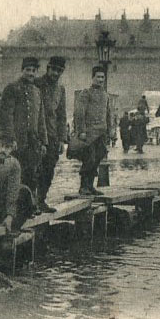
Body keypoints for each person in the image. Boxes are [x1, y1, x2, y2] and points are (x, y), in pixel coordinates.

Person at [0, 57, 53, 213]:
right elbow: (6, 115)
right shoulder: (12, 88)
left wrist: (44, 142)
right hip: (17, 140)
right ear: (22, 70)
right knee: (15, 173)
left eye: (33, 70)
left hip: (33, 140)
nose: (30, 73)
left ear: (36, 72)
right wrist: (10, 138)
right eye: (27, 70)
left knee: (32, 173)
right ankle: (12, 208)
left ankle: (30, 205)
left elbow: (41, 118)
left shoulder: (37, 92)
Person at [72, 65, 112, 195]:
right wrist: (81, 131)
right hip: (89, 134)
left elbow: (108, 114)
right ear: (92, 78)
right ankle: (83, 186)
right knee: (89, 159)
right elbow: (79, 113)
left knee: (98, 158)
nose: (100, 80)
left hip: (101, 133)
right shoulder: (86, 93)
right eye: (98, 77)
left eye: (102, 77)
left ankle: (90, 186)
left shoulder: (106, 96)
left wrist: (110, 130)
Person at [35, 56, 68, 213]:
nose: (56, 73)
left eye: (59, 71)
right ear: (48, 68)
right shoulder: (36, 85)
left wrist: (62, 139)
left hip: (53, 136)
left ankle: (40, 200)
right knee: (34, 169)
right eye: (53, 69)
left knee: (49, 170)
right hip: (36, 135)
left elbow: (61, 116)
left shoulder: (60, 89)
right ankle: (30, 202)